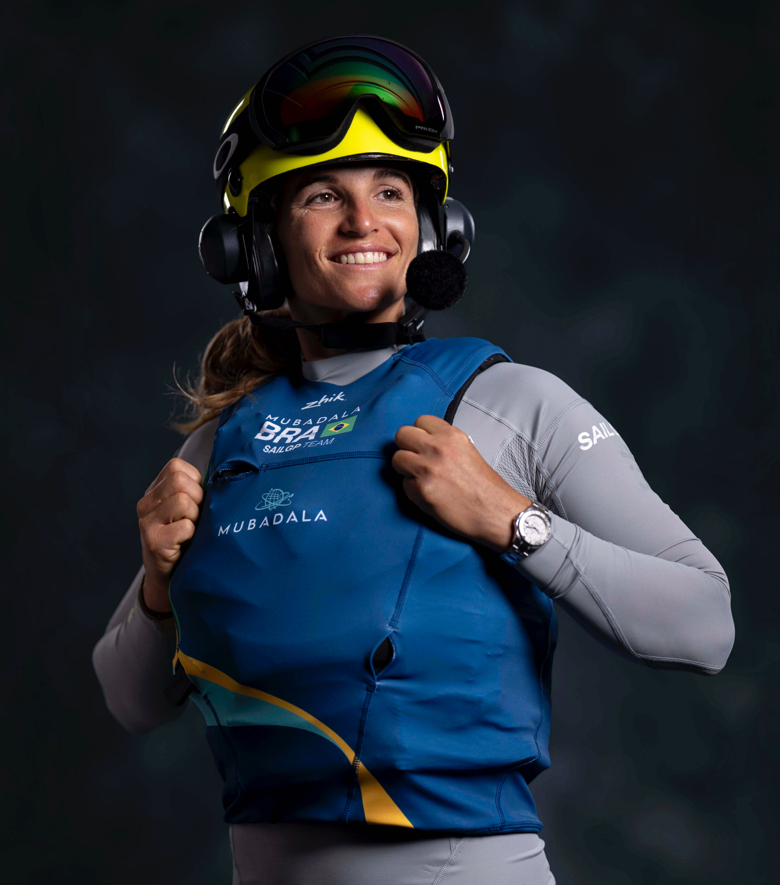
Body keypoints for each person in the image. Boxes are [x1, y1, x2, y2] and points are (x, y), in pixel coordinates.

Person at [93, 36, 735, 885]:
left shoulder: (511, 404)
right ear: (255, 243)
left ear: (437, 231)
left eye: (390, 191)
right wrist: (156, 585)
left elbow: (704, 623)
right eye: (324, 194)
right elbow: (131, 700)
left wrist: (513, 521)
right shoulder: (220, 447)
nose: (364, 222)